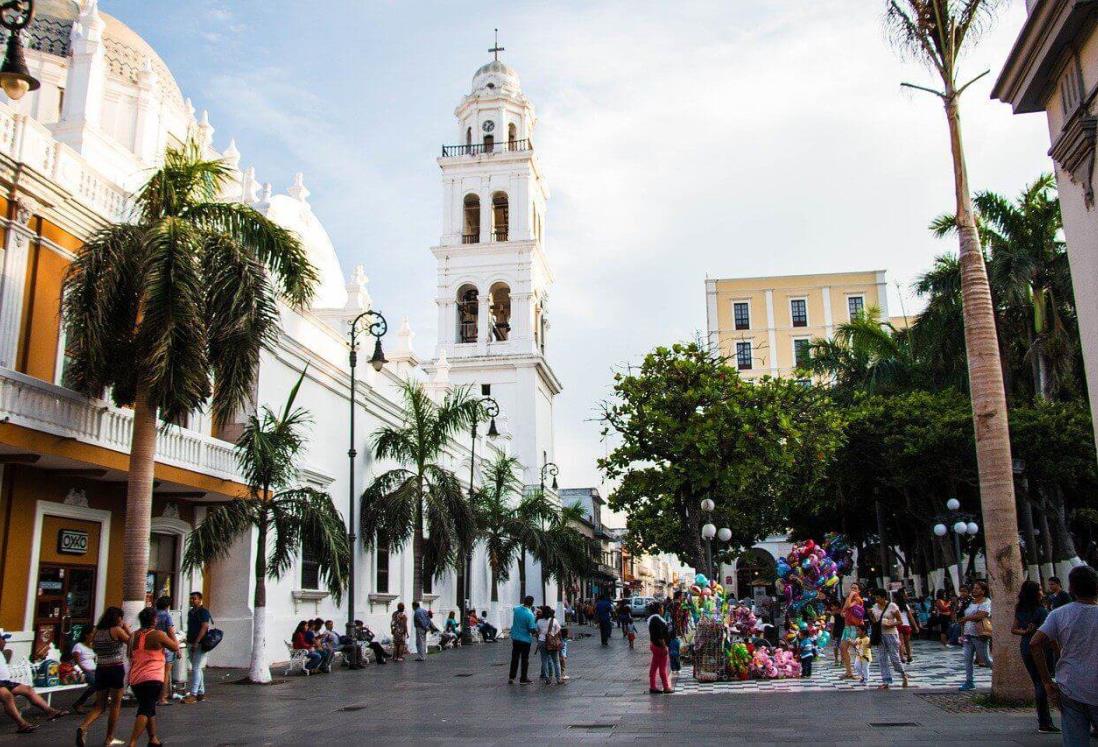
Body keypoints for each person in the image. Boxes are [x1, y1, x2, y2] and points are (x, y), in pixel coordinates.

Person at [1029, 565, 1098, 746]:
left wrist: (1046, 681)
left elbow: (1035, 643)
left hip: (1070, 686)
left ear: (1071, 588)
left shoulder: (1059, 614)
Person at [125, 605, 181, 747]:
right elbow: (174, 647)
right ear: (154, 620)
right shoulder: (158, 634)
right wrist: (173, 633)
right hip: (152, 677)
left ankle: (153, 738)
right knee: (145, 709)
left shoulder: (133, 636)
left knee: (149, 707)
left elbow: (129, 654)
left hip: (136, 677)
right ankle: (132, 742)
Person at [77, 606, 130, 746]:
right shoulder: (116, 630)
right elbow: (131, 641)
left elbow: (93, 647)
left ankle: (84, 726)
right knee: (115, 705)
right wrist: (125, 628)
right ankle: (109, 737)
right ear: (117, 618)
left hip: (101, 669)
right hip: (115, 668)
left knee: (99, 706)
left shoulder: (97, 632)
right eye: (121, 618)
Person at [1011, 579, 1059, 734]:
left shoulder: (1020, 609)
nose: (1042, 591)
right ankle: (1045, 721)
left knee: (1037, 681)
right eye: (1039, 589)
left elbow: (1014, 629)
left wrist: (1025, 632)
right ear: (1034, 593)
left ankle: (1044, 720)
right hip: (1040, 647)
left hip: (1025, 645)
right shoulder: (1041, 611)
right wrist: (1058, 650)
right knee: (1043, 682)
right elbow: (1049, 633)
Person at [0, 633, 67, 734]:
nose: (5, 642)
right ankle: (22, 724)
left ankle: (50, 711)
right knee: (7, 696)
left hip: (5, 682)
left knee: (28, 689)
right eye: (3, 639)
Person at [869, 588, 908, 690]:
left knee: (894, 658)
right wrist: (871, 615)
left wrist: (891, 624)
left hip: (891, 634)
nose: (876, 599)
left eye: (878, 597)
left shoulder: (892, 606)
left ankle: (903, 674)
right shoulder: (875, 607)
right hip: (880, 634)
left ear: (883, 597)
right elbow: (874, 621)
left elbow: (900, 621)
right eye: (875, 597)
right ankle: (886, 681)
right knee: (882, 658)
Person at [958, 580, 992, 691]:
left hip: (979, 634)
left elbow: (982, 614)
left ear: (983, 591)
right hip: (968, 633)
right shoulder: (970, 602)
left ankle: (1001, 673)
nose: (974, 590)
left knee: (985, 658)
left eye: (977, 588)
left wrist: (967, 618)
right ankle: (969, 681)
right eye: (974, 588)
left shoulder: (986, 602)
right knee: (967, 658)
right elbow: (963, 615)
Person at [181, 591, 212, 704]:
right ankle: (201, 692)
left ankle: (193, 694)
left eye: (194, 598)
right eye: (191, 598)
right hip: (190, 641)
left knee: (196, 668)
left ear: (200, 600)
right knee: (197, 667)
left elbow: (204, 627)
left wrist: (196, 642)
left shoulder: (203, 612)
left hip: (199, 643)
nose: (192, 600)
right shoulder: (191, 612)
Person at [153, 596, 177, 706]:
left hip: (154, 645)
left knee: (155, 671)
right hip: (166, 646)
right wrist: (176, 646)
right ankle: (162, 698)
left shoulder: (152, 614)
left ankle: (154, 695)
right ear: (168, 605)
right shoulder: (167, 616)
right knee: (165, 673)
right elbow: (171, 632)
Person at [508, 596, 538, 684]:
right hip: (525, 640)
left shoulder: (516, 610)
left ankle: (511, 677)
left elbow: (517, 607)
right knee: (524, 659)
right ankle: (523, 678)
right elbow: (531, 629)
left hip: (515, 637)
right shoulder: (530, 615)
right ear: (532, 604)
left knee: (515, 658)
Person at [70, 626, 98, 713]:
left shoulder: (92, 646)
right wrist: (86, 670)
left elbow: (94, 659)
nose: (94, 635)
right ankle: (79, 703)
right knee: (95, 684)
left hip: (94, 669)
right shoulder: (78, 646)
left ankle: (99, 702)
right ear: (87, 635)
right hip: (84, 671)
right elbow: (76, 662)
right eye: (93, 633)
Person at [647, 602, 672, 694]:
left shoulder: (653, 619)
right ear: (658, 609)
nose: (663, 609)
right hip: (659, 647)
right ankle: (666, 687)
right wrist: (664, 646)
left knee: (653, 668)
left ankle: (652, 686)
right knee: (662, 668)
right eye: (661, 608)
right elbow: (660, 635)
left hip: (655, 645)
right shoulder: (657, 620)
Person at [839, 583, 864, 678]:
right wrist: (843, 613)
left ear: (858, 591)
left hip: (855, 628)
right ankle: (849, 672)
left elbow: (849, 605)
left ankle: (862, 671)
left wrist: (851, 595)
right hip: (847, 627)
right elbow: (843, 611)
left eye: (855, 588)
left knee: (858, 649)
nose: (853, 589)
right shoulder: (848, 598)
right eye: (852, 588)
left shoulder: (858, 599)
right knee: (843, 648)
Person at [536, 606, 563, 685]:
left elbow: (537, 631)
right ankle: (558, 679)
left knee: (544, 661)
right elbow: (558, 631)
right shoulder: (554, 620)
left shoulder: (539, 621)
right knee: (556, 661)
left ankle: (547, 678)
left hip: (541, 642)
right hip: (552, 643)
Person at [895, 589, 920, 663]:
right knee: (907, 643)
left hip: (898, 625)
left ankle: (902, 657)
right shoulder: (906, 606)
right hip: (906, 625)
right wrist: (915, 626)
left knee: (900, 643)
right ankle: (909, 656)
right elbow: (911, 617)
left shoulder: (894, 606)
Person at [830, 599, 845, 664]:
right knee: (842, 646)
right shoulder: (843, 612)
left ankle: (836, 659)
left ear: (837, 606)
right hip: (843, 631)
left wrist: (831, 633)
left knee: (836, 646)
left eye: (832, 606)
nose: (831, 607)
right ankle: (842, 660)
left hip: (836, 632)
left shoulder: (833, 614)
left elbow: (832, 624)